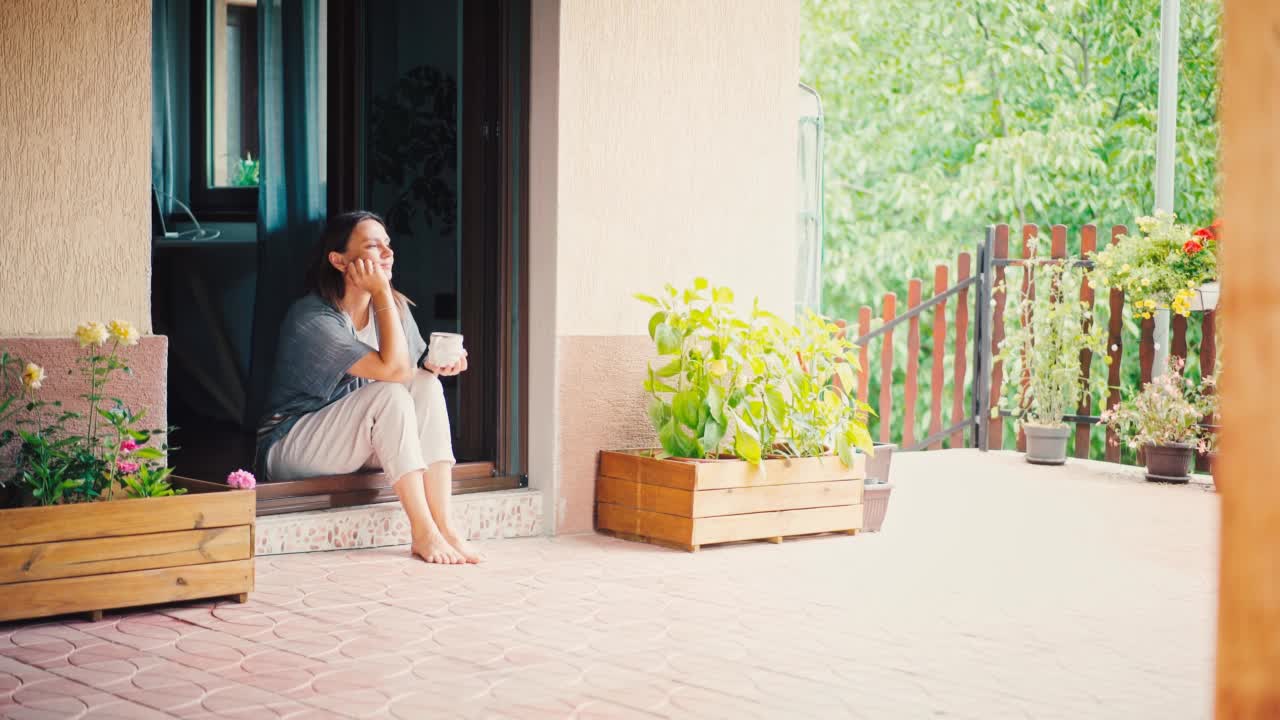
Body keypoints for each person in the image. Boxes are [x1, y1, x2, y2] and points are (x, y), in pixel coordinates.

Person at [256, 211, 480, 564]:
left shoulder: (392, 306)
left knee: (426, 384)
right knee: (389, 393)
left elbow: (411, 369)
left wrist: (441, 363)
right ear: (339, 260)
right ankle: (423, 531)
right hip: (289, 443)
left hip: (352, 440)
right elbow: (392, 371)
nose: (388, 254)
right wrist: (380, 292)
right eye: (374, 246)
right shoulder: (312, 319)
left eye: (388, 246)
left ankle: (445, 526)